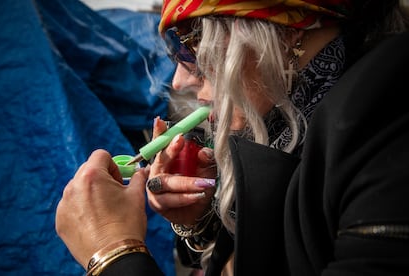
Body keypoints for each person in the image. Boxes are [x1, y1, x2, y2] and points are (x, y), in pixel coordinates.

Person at [55, 0, 409, 275]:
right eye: (175, 48)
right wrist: (204, 219)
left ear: (286, 30)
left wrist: (113, 252)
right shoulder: (292, 119)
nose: (179, 80)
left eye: (192, 43)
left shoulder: (386, 121)